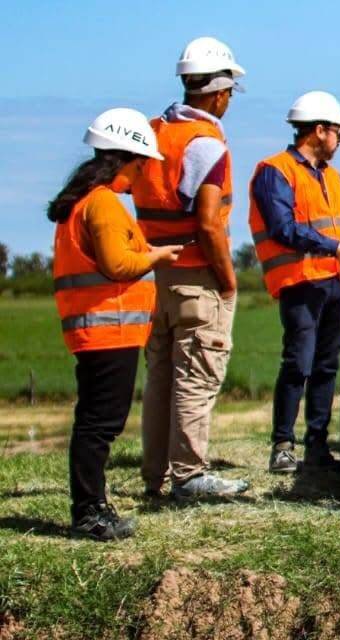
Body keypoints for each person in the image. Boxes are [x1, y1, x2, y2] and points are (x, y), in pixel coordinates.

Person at [49, 108, 183, 539]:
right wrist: (157, 256)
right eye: (142, 164)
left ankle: (92, 505)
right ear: (127, 159)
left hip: (99, 330)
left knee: (96, 421)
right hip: (108, 332)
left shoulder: (86, 201)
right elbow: (118, 265)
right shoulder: (104, 203)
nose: (143, 173)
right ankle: (89, 511)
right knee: (99, 424)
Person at [127, 37, 250, 499]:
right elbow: (209, 223)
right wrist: (228, 278)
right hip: (198, 276)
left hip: (159, 273)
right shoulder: (206, 145)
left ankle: (156, 474)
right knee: (197, 375)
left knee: (162, 378)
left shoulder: (156, 132)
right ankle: (190, 475)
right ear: (219, 93)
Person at [250, 91, 340, 474]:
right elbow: (282, 228)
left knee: (327, 365)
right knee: (299, 362)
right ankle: (283, 444)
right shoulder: (275, 171)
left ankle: (316, 446)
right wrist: (334, 246)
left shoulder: (334, 177)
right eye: (338, 133)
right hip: (300, 281)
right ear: (319, 130)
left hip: (339, 281)